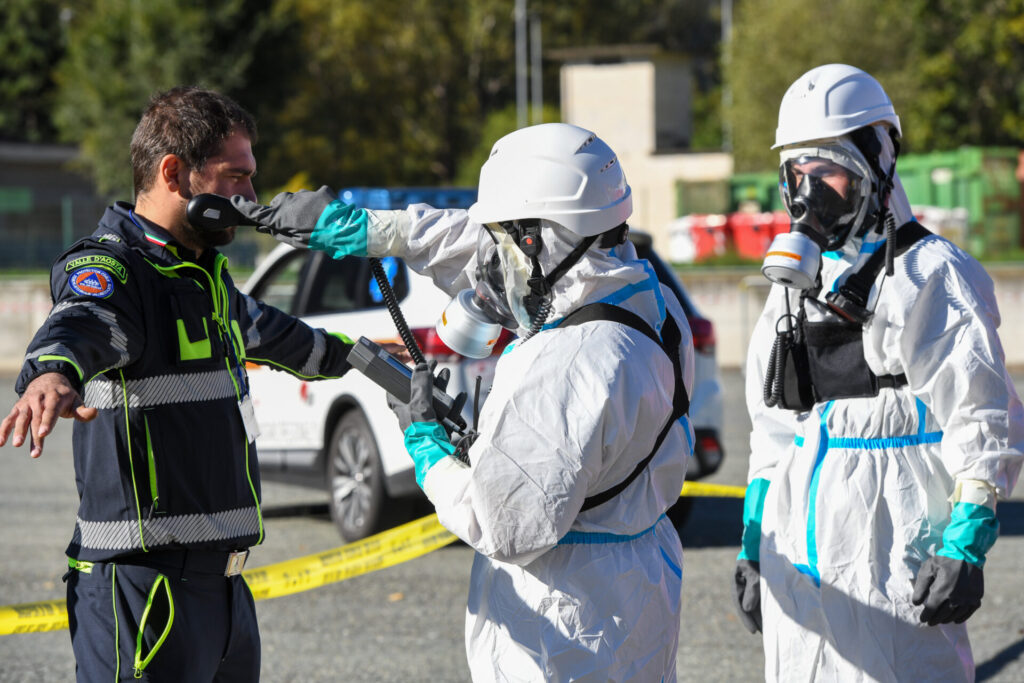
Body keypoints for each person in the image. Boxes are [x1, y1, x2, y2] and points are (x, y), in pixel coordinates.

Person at [233, 122, 694, 681]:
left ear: (538, 239)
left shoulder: (566, 362)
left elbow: (503, 526)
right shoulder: (649, 299)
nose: (490, 262)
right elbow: (481, 243)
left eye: (505, 241)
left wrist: (427, 448)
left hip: (567, 612)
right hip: (635, 584)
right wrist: (379, 231)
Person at [0, 86, 381, 682]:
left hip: (225, 592)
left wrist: (375, 365)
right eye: (236, 177)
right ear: (174, 173)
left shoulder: (205, 279)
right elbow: (81, 320)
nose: (251, 197)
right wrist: (52, 370)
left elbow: (285, 339)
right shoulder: (115, 267)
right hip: (144, 592)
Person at [734, 63, 1024, 681]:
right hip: (799, 540)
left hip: (892, 536)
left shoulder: (932, 274)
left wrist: (966, 542)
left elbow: (982, 417)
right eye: (798, 175)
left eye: (830, 171)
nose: (811, 194)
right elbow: (774, 425)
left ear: (877, 165)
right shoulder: (796, 281)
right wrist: (755, 537)